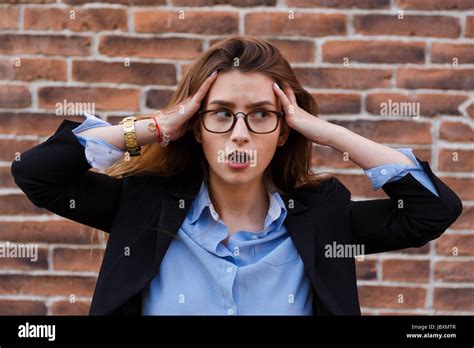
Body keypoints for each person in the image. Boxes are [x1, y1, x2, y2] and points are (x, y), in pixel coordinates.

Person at [11, 35, 463, 315]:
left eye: (262, 115)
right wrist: (157, 127)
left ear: (284, 132)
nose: (240, 135)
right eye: (222, 114)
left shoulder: (323, 218)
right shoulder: (143, 207)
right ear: (196, 129)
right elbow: (37, 174)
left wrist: (327, 133)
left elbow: (432, 210)